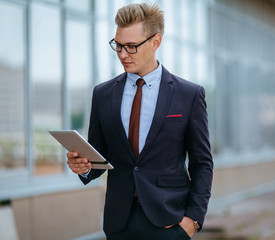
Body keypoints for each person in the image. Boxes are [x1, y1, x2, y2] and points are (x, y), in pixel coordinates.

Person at [66, 3, 213, 240]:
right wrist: (82, 167)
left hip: (169, 221)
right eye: (118, 45)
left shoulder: (189, 95)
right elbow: (98, 157)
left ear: (155, 42)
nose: (122, 54)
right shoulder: (102, 94)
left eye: (131, 47)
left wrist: (193, 220)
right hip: (118, 222)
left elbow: (202, 163)